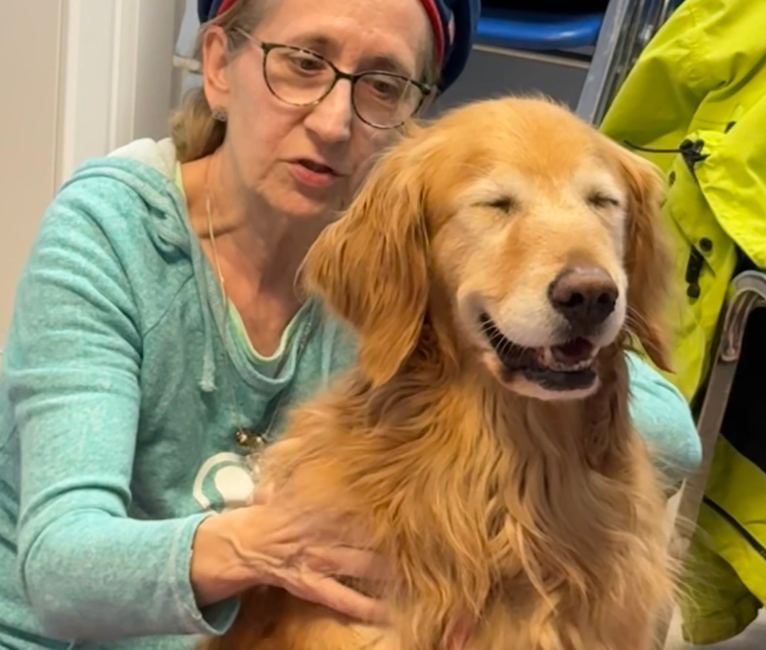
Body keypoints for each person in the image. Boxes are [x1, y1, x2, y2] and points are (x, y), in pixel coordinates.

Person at [0, 0, 699, 648]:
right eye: (303, 64)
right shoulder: (108, 232)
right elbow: (61, 568)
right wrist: (267, 544)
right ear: (218, 66)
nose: (336, 122)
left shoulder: (410, 250)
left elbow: (673, 435)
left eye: (383, 85)